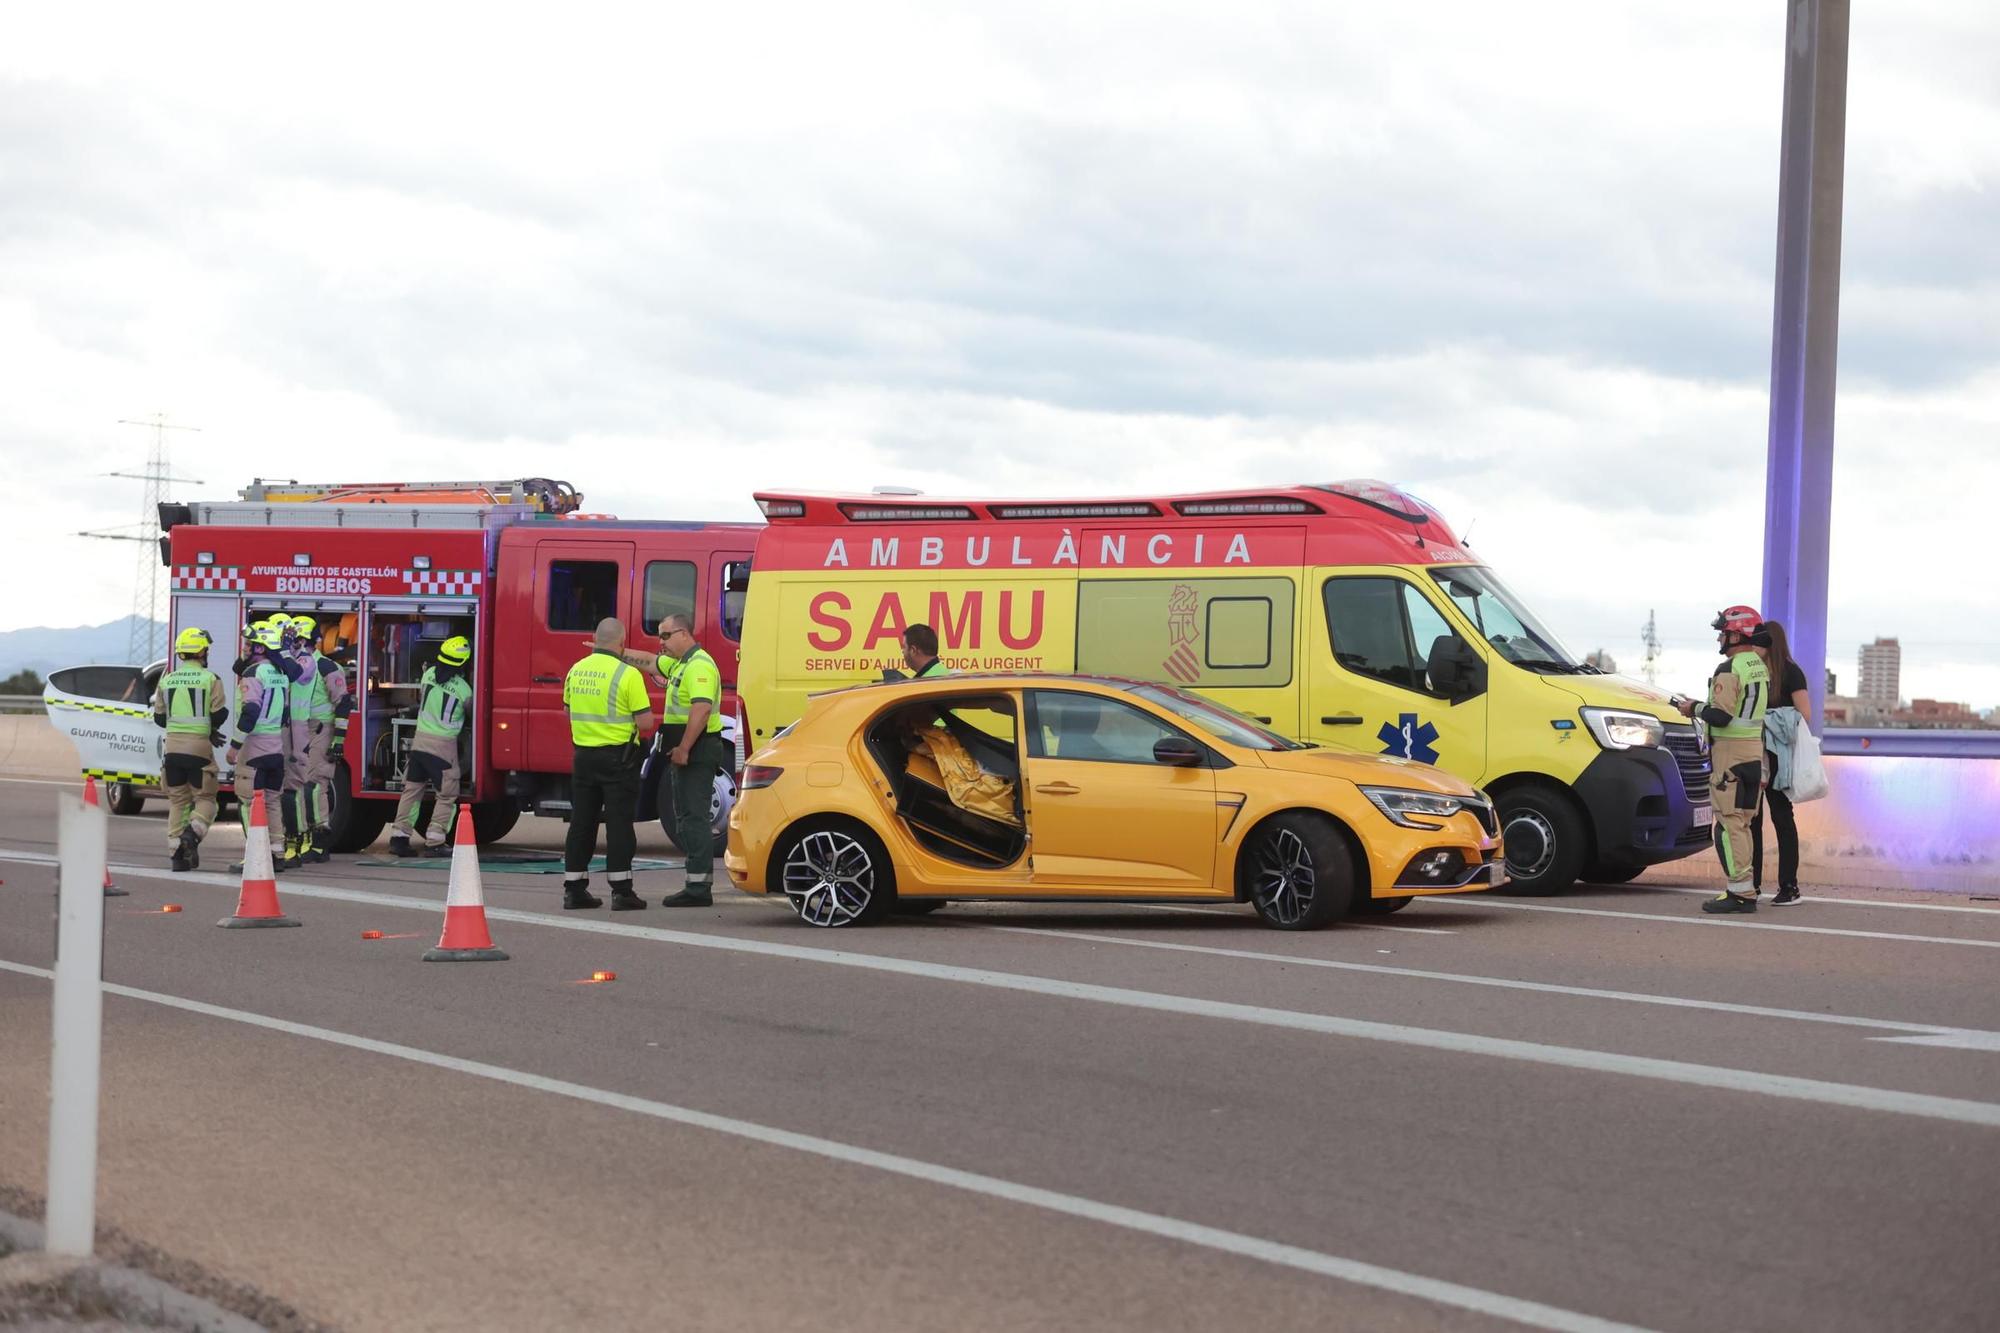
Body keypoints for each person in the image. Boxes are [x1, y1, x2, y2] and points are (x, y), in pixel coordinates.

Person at [612, 612, 728, 907]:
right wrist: (617, 652)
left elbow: (701, 710)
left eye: (665, 635)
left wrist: (685, 748)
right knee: (684, 817)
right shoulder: (681, 664)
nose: (660, 642)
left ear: (684, 634)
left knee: (694, 818)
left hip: (697, 749)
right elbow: (650, 661)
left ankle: (699, 888)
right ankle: (694, 883)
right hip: (687, 748)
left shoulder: (699, 666)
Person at [1674, 605, 1771, 914]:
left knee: (1728, 825)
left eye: (1723, 632)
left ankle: (1740, 892)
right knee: (1743, 822)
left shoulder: (1729, 670)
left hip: (1730, 753)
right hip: (1753, 753)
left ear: (1735, 634)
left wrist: (1693, 708)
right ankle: (1747, 888)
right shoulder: (1758, 665)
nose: (1719, 638)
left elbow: (1722, 716)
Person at [562, 618, 655, 910]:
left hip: (583, 757)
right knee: (618, 825)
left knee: (581, 823)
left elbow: (568, 710)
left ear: (595, 639)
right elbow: (645, 723)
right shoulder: (627, 674)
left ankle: (574, 889)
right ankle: (622, 891)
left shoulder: (575, 670)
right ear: (622, 642)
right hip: (619, 759)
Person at [151, 627, 228, 871]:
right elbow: (219, 714)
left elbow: (160, 719)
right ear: (201, 651)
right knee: (206, 799)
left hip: (171, 750)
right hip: (199, 750)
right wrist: (210, 729)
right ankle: (191, 836)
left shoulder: (167, 680)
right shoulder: (210, 679)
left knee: (177, 801)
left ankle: (177, 857)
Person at [390, 636, 474, 857]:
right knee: (446, 795)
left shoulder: (428, 675)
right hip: (443, 747)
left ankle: (399, 838)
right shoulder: (465, 691)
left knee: (412, 791)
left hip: (419, 743)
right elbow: (471, 716)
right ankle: (435, 842)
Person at [1752, 619, 1811, 906]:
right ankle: (1750, 884)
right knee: (1752, 819)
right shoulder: (1754, 673)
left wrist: (1769, 719)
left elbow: (1805, 714)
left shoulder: (1791, 672)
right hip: (1753, 750)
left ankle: (1789, 886)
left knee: (1781, 817)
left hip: (1776, 753)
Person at [286, 614, 353, 864]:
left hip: (320, 730)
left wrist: (338, 740)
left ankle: (319, 839)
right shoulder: (289, 667)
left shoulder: (326, 667)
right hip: (297, 729)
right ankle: (300, 838)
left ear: (312, 641)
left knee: (315, 784)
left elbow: (343, 703)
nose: (298, 646)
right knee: (295, 786)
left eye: (301, 640)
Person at [226, 622, 293, 857]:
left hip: (254, 750)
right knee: (273, 802)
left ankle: (255, 855)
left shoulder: (253, 674)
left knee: (248, 802)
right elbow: (285, 713)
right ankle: (277, 853)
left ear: (260, 648)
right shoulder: (280, 674)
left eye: (248, 643)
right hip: (275, 748)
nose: (244, 648)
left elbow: (251, 712)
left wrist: (235, 747)